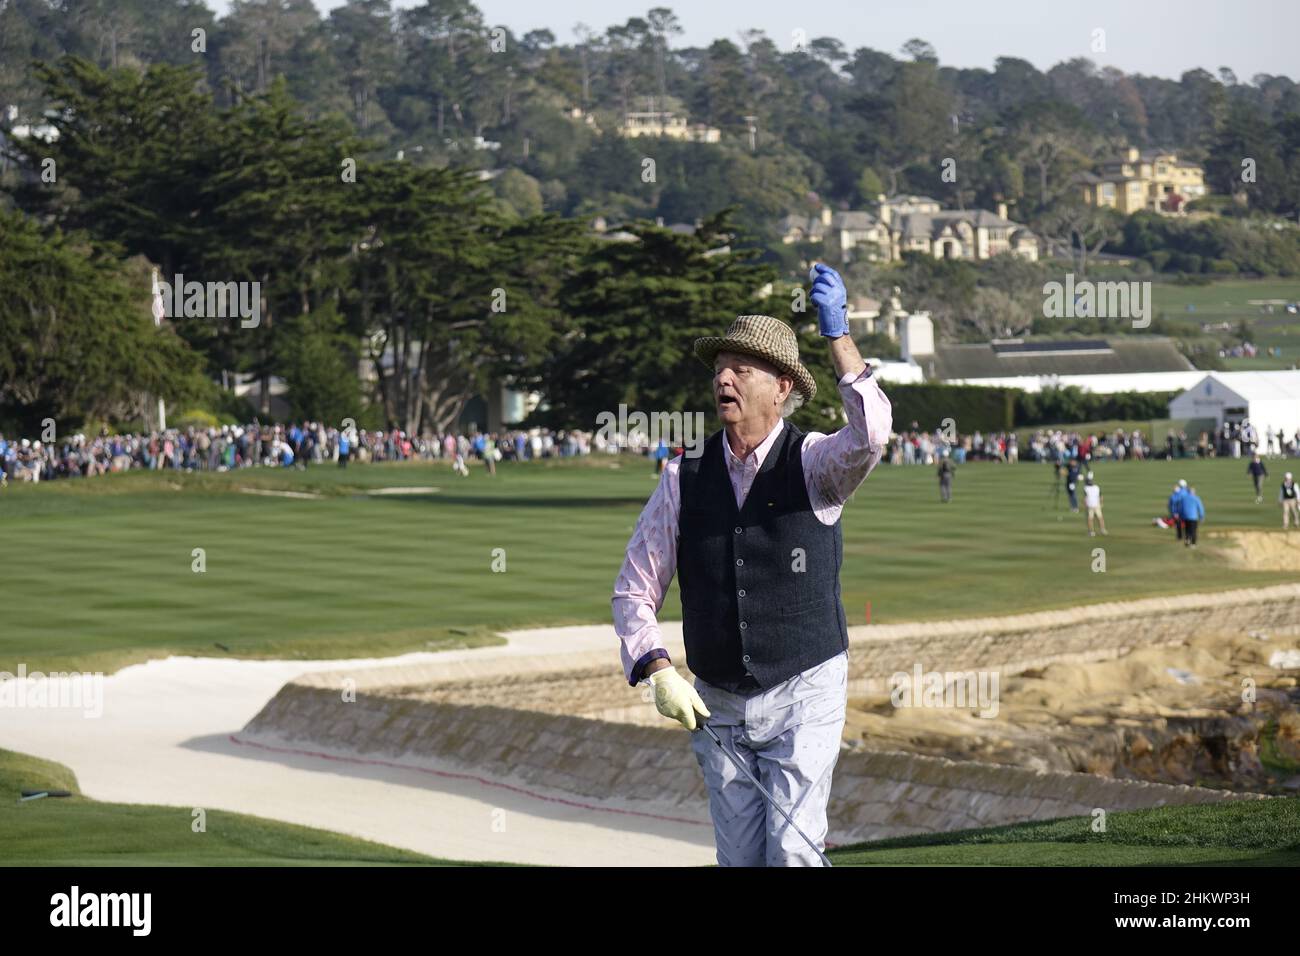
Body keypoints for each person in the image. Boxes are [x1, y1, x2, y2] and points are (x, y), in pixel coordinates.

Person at [612, 263, 891, 867]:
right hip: (719, 701)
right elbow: (634, 589)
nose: (725, 379)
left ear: (782, 387)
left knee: (792, 850)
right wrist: (656, 667)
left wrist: (838, 336)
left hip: (804, 688)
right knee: (739, 860)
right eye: (719, 370)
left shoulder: (815, 463)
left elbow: (870, 438)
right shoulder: (683, 477)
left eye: (742, 369)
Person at [1084, 472, 1106, 536]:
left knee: (1090, 519)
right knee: (1100, 517)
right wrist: (1101, 503)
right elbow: (1101, 496)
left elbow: (1085, 498)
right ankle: (1103, 530)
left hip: (1090, 505)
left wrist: (1084, 505)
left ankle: (1091, 532)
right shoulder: (1096, 487)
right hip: (1097, 505)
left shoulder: (1086, 488)